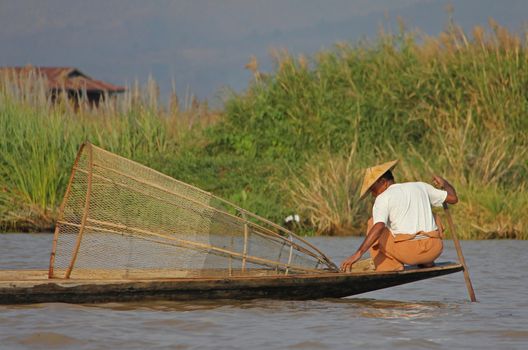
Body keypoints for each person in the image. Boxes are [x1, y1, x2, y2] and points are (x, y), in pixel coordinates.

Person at [340, 160, 458, 272]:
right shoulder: (421, 186)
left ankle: (390, 266)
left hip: (409, 253)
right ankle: (427, 262)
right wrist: (444, 183)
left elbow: (379, 227)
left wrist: (358, 254)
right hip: (434, 249)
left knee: (373, 223)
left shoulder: (383, 198)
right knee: (434, 216)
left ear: (383, 182)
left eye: (373, 189)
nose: (372, 194)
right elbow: (453, 198)